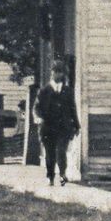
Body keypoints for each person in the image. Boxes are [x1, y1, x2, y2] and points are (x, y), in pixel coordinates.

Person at [35, 58, 79, 186]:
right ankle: (50, 176)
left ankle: (62, 174)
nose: (58, 74)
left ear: (63, 74)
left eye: (60, 72)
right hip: (48, 127)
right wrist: (40, 117)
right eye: (55, 71)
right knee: (50, 153)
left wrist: (76, 125)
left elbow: (72, 109)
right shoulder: (44, 91)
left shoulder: (68, 91)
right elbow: (37, 108)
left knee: (61, 151)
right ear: (52, 73)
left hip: (63, 127)